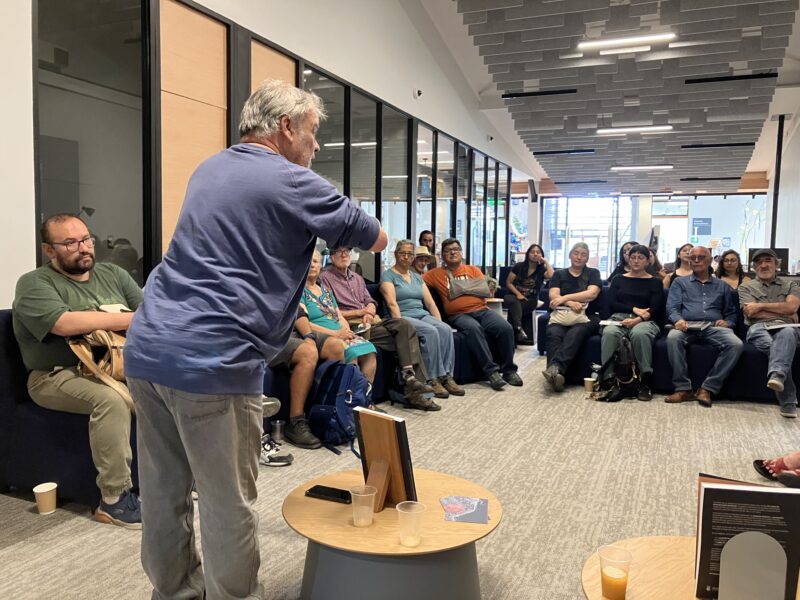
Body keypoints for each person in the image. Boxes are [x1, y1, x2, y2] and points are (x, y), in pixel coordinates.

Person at [123, 79, 387, 599]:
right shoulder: (292, 180)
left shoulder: (209, 167)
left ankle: (175, 594)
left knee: (163, 495)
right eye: (312, 133)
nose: (316, 146)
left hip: (148, 348)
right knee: (227, 504)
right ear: (285, 127)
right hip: (215, 361)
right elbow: (375, 236)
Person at [13, 213, 143, 528]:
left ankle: (176, 478)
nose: (83, 248)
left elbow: (150, 313)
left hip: (114, 367)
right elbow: (63, 323)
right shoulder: (34, 283)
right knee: (110, 401)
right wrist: (126, 319)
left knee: (169, 387)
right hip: (55, 375)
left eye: (85, 239)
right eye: (70, 243)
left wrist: (102, 319)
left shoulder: (113, 274)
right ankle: (113, 500)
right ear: (49, 250)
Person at [320, 245, 440, 410]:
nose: (344, 255)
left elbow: (370, 300)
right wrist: (361, 312)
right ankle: (413, 391)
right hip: (351, 325)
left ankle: (409, 378)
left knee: (405, 326)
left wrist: (369, 310)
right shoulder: (325, 279)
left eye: (346, 251)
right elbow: (331, 311)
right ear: (331, 257)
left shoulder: (357, 277)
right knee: (406, 339)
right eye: (338, 252)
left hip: (372, 320)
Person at [424, 238, 523, 390]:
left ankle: (509, 370)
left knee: (506, 328)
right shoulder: (435, 274)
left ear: (461, 252)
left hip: (482, 310)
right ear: (442, 255)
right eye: (448, 250)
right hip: (458, 314)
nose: (452, 252)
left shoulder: (473, 270)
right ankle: (491, 372)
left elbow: (483, 291)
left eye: (455, 249)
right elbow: (415, 279)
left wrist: (462, 290)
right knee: (474, 329)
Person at [380, 240, 464, 399]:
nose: (406, 257)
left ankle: (446, 376)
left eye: (409, 254)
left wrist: (439, 322)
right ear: (396, 255)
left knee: (445, 329)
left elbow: (430, 303)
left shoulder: (417, 277)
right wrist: (400, 325)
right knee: (430, 331)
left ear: (413, 257)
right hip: (403, 316)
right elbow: (391, 304)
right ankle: (431, 378)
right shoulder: (388, 275)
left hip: (421, 314)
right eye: (402, 253)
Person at [664, 246, 742, 407]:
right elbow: (672, 308)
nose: (696, 260)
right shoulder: (679, 282)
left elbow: (731, 313)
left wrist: (728, 322)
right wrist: (678, 320)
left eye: (701, 257)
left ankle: (707, 388)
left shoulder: (722, 285)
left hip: (713, 327)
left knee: (736, 344)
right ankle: (683, 389)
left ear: (710, 260)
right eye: (693, 258)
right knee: (673, 337)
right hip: (687, 326)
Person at [301, 250, 381, 397]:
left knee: (369, 351)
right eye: (309, 261)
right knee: (352, 353)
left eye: (316, 262)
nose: (312, 265)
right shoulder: (299, 292)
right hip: (321, 336)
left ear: (320, 266)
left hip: (340, 333)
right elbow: (304, 324)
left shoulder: (325, 291)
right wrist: (336, 334)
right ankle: (349, 400)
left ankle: (364, 398)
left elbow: (339, 315)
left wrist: (346, 330)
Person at [267, 309, 348, 449]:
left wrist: (309, 337)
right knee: (307, 352)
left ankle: (328, 414)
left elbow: (297, 312)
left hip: (293, 331)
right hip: (269, 338)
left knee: (335, 346)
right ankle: (295, 422)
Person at [738, 248, 800, 419]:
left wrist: (760, 306)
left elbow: (792, 307)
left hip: (787, 327)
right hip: (758, 327)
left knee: (788, 332)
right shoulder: (746, 287)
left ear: (776, 264)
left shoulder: (791, 285)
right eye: (759, 262)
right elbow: (751, 313)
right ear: (754, 267)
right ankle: (786, 395)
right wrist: (784, 312)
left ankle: (779, 380)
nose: (763, 265)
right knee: (780, 348)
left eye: (768, 261)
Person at [599, 244, 663, 400]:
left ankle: (645, 381)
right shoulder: (618, 279)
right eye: (633, 257)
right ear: (628, 259)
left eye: (640, 258)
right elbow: (613, 303)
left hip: (645, 320)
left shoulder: (655, 282)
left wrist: (637, 319)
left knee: (640, 334)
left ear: (648, 261)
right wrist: (634, 309)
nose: (636, 261)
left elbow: (655, 308)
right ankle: (607, 379)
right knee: (610, 332)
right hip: (619, 317)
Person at [541, 242, 602, 392]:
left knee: (575, 332)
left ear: (587, 258)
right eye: (576, 253)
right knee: (553, 333)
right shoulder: (559, 274)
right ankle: (556, 376)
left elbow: (591, 294)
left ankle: (555, 369)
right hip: (561, 316)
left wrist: (565, 297)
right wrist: (570, 303)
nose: (579, 257)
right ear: (570, 255)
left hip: (588, 317)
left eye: (583, 254)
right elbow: (553, 296)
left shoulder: (593, 273)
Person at [503, 243, 553, 344]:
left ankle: (513, 337)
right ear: (528, 254)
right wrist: (518, 294)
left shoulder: (541, 270)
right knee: (512, 301)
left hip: (530, 299)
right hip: (513, 296)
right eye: (532, 252)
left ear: (541, 255)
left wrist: (545, 261)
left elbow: (551, 275)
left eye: (538, 252)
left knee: (514, 309)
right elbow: (509, 283)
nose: (535, 254)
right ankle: (519, 329)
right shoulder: (519, 266)